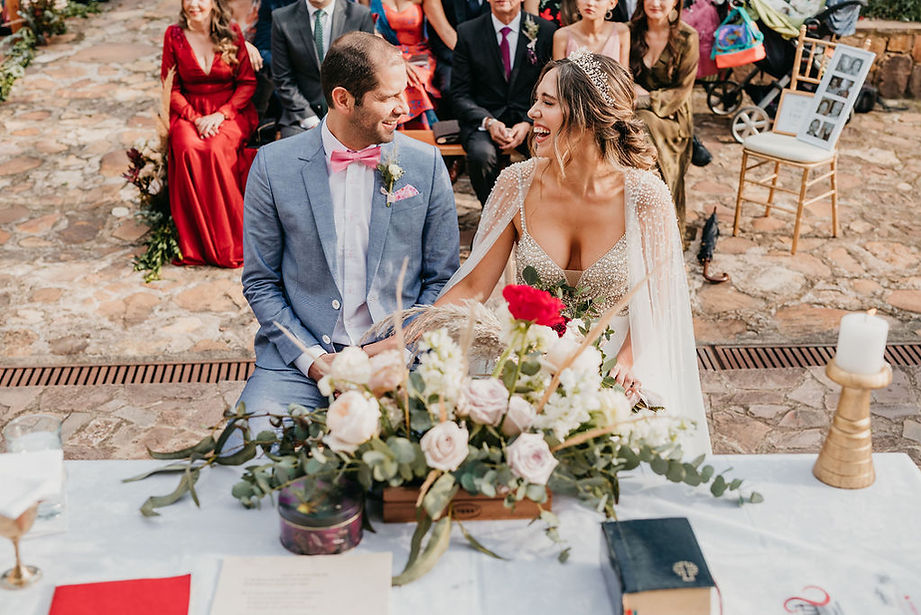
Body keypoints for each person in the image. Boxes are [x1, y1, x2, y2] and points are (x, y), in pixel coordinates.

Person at [436, 51, 711, 457]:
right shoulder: (515, 183)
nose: (532, 113)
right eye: (536, 101)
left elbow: (659, 296)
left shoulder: (645, 195)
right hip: (531, 360)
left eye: (547, 103)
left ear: (586, 114)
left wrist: (632, 361)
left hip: (624, 360)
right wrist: (401, 336)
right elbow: (474, 286)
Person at [238, 32, 460, 422]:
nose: (403, 108)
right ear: (343, 99)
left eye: (402, 93)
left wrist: (398, 348)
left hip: (401, 357)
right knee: (251, 451)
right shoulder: (273, 167)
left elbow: (442, 280)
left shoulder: (426, 165)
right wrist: (316, 361)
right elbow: (261, 283)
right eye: (388, 97)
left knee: (428, 459)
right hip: (299, 366)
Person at [161, 0, 258, 268]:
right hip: (189, 111)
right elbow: (171, 87)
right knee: (188, 148)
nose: (194, 4)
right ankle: (198, 245)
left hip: (228, 110)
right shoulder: (173, 36)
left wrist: (221, 114)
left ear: (214, 3)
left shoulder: (232, 32)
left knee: (215, 150)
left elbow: (248, 82)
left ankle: (230, 243)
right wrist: (194, 118)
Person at [452, 0, 556, 206]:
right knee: (481, 156)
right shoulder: (468, 32)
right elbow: (458, 94)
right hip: (484, 120)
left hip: (532, 118)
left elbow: (553, 89)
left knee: (545, 154)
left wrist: (529, 122)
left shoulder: (545, 30)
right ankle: (493, 214)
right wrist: (488, 121)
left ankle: (536, 213)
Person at [629, 0, 698, 241]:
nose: (656, 3)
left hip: (673, 115)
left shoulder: (688, 38)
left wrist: (646, 100)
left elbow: (682, 90)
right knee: (634, 125)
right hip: (633, 112)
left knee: (642, 122)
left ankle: (666, 230)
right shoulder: (630, 32)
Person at [271, 0, 375, 138]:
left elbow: (366, 72)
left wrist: (345, 113)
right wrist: (310, 119)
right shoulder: (282, 18)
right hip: (301, 115)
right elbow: (282, 78)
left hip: (348, 111)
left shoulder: (359, 15)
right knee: (294, 152)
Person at [369, 0, 456, 127]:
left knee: (413, 78)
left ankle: (426, 131)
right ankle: (395, 133)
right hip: (387, 54)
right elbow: (370, 32)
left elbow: (445, 31)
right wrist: (397, 58)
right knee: (395, 78)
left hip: (420, 56)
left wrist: (472, 57)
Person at [552, 0, 629, 64]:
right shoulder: (562, 36)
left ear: (612, 3)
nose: (590, 3)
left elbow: (625, 76)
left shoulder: (621, 32)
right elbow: (557, 77)